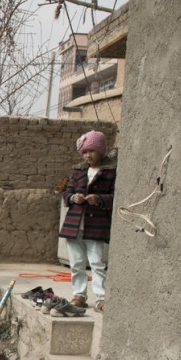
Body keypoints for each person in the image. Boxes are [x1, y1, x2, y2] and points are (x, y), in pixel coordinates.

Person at [58, 130, 116, 312]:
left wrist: (99, 199)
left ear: (101, 150)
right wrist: (73, 197)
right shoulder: (78, 170)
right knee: (76, 264)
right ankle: (79, 295)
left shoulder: (110, 172)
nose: (88, 155)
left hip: (95, 226)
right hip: (75, 225)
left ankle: (101, 298)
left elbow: (114, 196)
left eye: (92, 151)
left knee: (97, 263)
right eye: (85, 152)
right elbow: (66, 193)